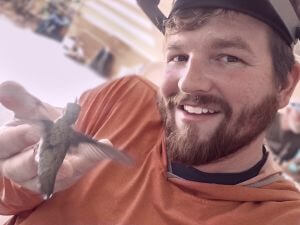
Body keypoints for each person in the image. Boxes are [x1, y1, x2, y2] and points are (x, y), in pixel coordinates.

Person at [1, 0, 300, 224]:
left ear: (285, 84)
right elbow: (8, 197)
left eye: (228, 58)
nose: (189, 82)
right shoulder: (120, 100)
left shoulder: (283, 216)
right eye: (178, 56)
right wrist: (19, 172)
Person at [266, 98, 300, 164]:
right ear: (288, 110)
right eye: (299, 116)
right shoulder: (268, 117)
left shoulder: (297, 139)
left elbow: (286, 161)